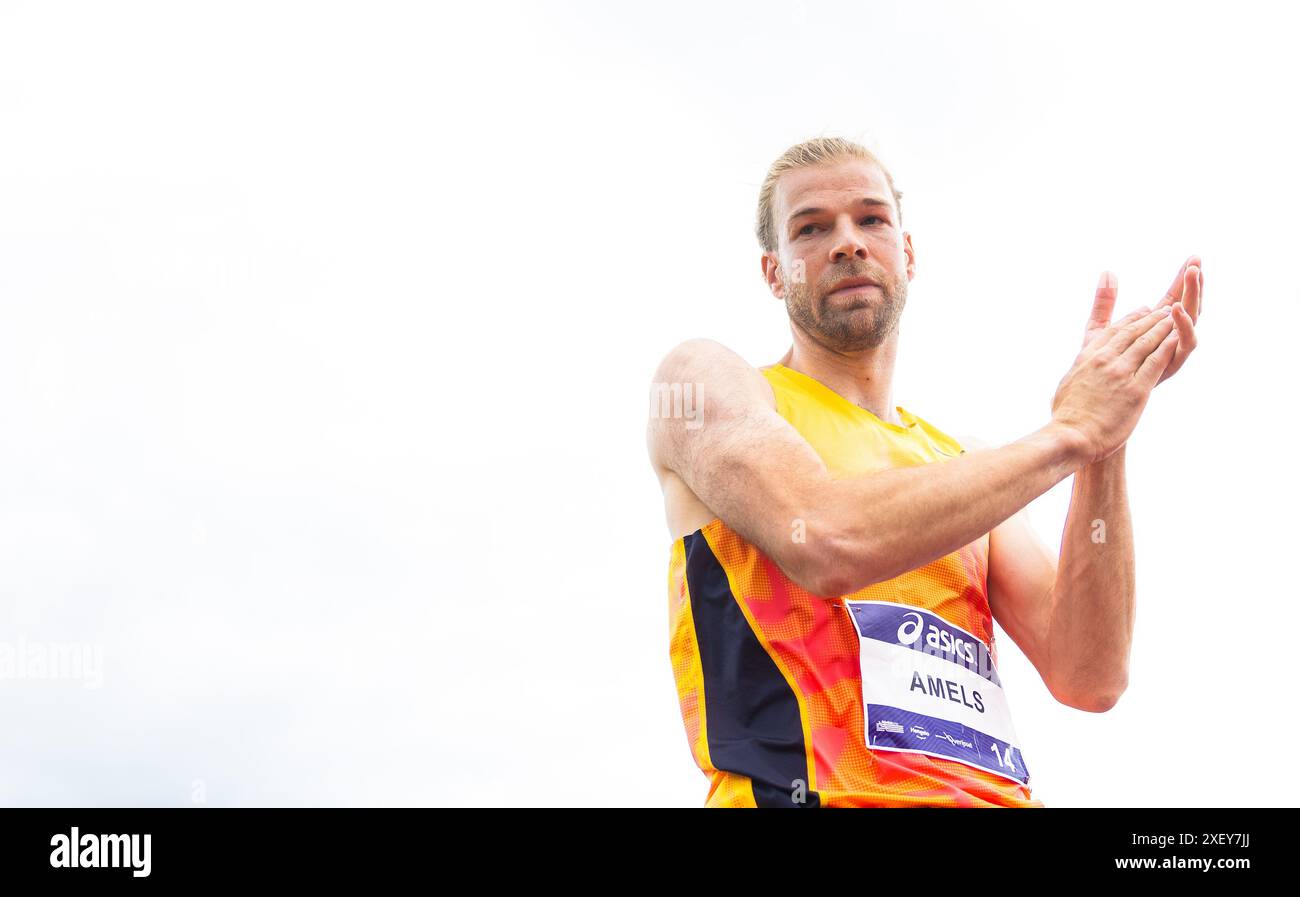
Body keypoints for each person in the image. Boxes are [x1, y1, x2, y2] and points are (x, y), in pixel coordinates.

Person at [645, 136, 1201, 808]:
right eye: (812, 228)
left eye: (871, 219)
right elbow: (825, 536)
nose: (847, 242)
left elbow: (1089, 673)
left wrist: (1106, 437)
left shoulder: (961, 462)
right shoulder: (707, 384)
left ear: (907, 252)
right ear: (774, 271)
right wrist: (1070, 433)